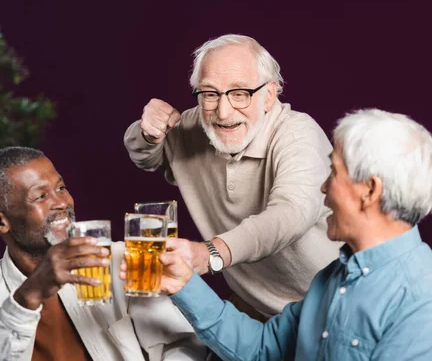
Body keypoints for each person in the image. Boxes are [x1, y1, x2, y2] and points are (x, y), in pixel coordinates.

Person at [140, 109, 432, 360]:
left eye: (333, 173)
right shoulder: (332, 278)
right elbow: (262, 349)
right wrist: (183, 284)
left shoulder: (422, 299)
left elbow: (289, 213)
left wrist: (208, 254)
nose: (323, 187)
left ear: (369, 190)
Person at [123, 33, 342, 318]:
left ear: (269, 95)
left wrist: (210, 254)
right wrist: (147, 130)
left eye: (240, 93)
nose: (224, 113)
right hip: (254, 311)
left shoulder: (298, 134)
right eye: (210, 93)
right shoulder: (197, 124)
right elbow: (146, 156)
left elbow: (290, 214)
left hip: (332, 314)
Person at [0, 146, 205, 361]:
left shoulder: (121, 261)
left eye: (61, 188)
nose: (62, 203)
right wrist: (31, 293)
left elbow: (180, 345)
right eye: (40, 196)